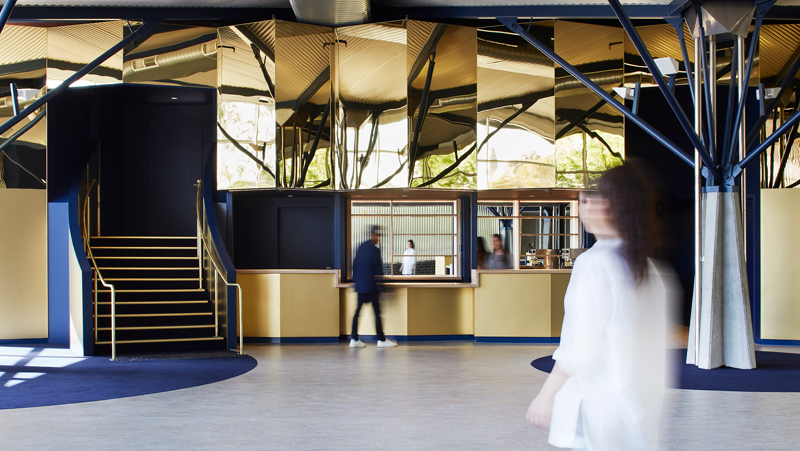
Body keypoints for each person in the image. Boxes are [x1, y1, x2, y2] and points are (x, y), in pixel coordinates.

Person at [526, 164, 668, 450]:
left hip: (603, 404)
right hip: (641, 405)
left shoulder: (595, 263)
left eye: (592, 198)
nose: (584, 205)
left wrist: (547, 394)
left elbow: (579, 348)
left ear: (612, 207)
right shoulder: (651, 270)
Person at [350, 225, 397, 348]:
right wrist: (384, 290)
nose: (379, 238)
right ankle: (381, 340)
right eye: (378, 235)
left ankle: (354, 339)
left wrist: (355, 283)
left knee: (357, 313)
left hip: (360, 287)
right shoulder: (375, 250)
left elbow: (354, 265)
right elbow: (378, 271)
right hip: (371, 287)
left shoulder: (360, 247)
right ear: (374, 235)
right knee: (377, 313)